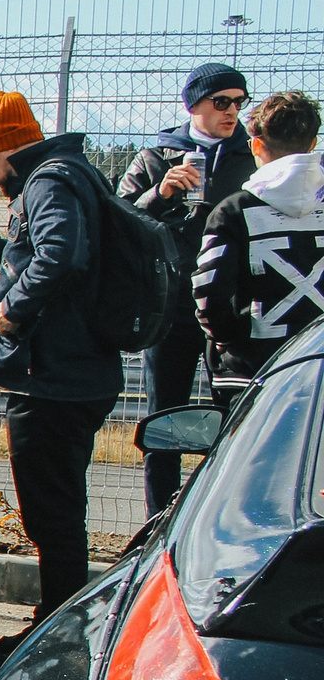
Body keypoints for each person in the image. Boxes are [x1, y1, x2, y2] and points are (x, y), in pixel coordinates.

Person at [0, 91, 120, 679]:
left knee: (52, 515)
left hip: (53, 380)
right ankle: (54, 623)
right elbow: (49, 256)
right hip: (73, 371)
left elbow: (60, 256)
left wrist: (11, 310)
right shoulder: (67, 175)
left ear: (4, 145)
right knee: (57, 512)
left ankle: (57, 642)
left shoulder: (46, 181)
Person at [119, 61, 256, 511]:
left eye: (240, 102)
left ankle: (224, 515)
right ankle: (158, 521)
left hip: (228, 307)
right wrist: (160, 193)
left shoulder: (253, 157)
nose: (232, 111)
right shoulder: (155, 157)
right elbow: (120, 224)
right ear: (193, 104)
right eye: (221, 102)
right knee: (164, 421)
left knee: (235, 418)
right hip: (171, 308)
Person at [195, 90, 324, 411]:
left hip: (253, 372)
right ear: (312, 144)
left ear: (256, 145)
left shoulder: (233, 211)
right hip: (319, 367)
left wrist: (234, 341)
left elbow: (209, 297)